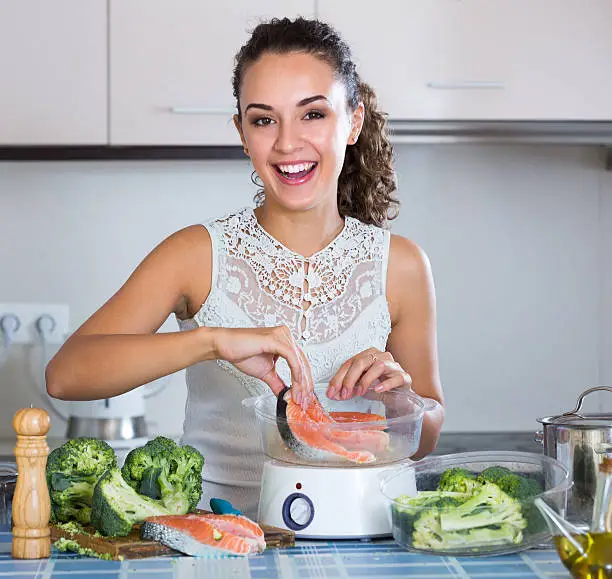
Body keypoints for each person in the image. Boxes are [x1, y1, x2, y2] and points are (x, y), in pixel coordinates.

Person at [46, 17, 445, 518]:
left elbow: (426, 434)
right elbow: (65, 375)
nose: (287, 143)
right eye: (263, 119)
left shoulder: (401, 265)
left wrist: (401, 398)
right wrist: (211, 341)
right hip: (218, 543)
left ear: (354, 121)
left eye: (313, 115)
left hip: (363, 534)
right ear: (241, 132)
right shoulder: (195, 253)